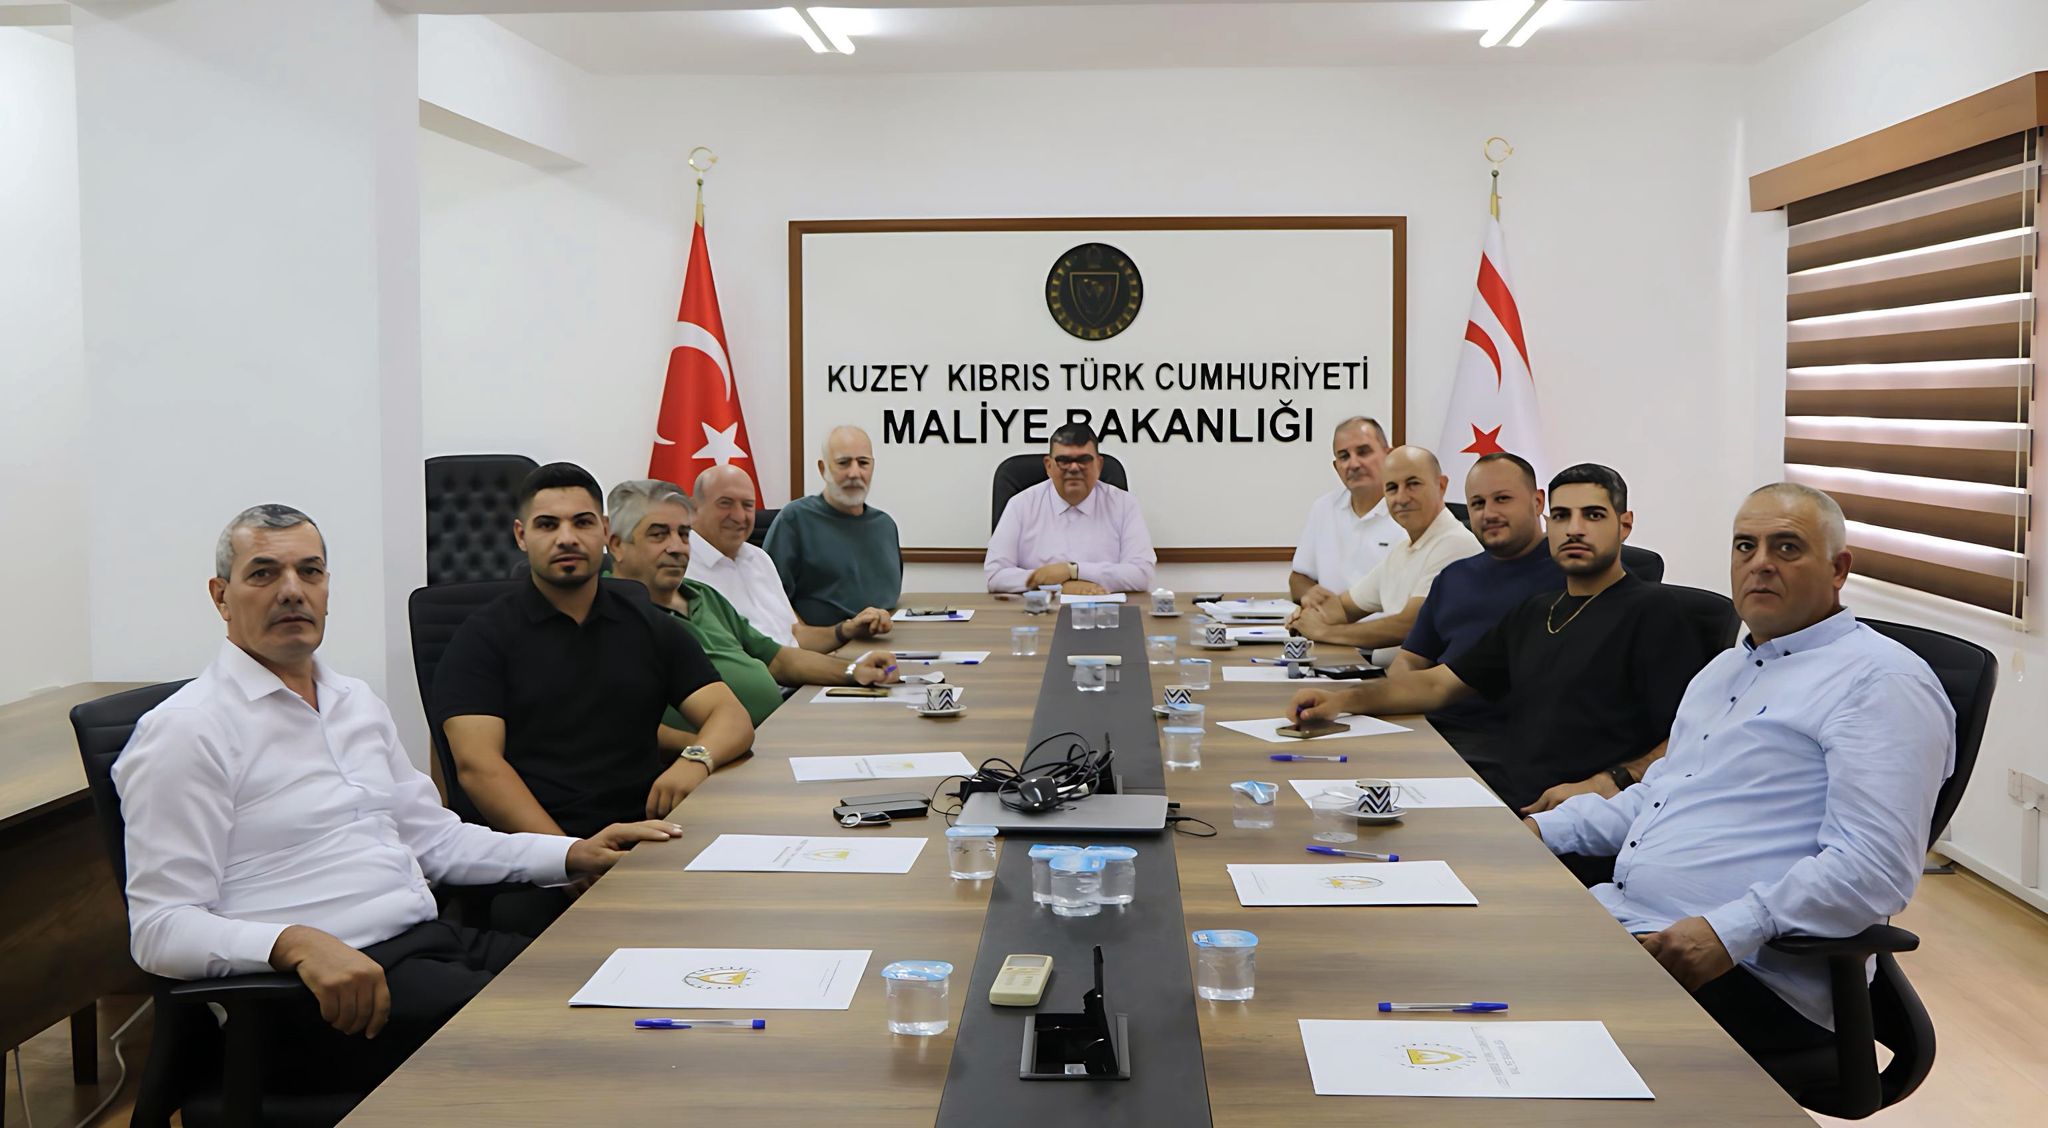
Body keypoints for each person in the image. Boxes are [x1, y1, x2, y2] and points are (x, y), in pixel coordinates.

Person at [115, 504, 681, 1099]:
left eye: (310, 571)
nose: (292, 591)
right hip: (322, 996)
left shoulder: (353, 701)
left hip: (427, 944)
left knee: (628, 983)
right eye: (263, 574)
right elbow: (158, 928)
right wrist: (293, 944)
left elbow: (435, 839)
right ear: (221, 596)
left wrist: (571, 853)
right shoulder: (187, 730)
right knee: (590, 1039)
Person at [1525, 483, 1953, 1058]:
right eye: (1745, 546)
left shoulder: (1881, 683)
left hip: (1745, 972)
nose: (1761, 564)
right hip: (1630, 923)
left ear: (1839, 569)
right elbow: (1662, 793)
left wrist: (1735, 927)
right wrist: (1543, 830)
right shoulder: (1727, 669)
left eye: (1787, 548)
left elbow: (1876, 868)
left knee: (1509, 1028)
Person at [1289, 463, 1713, 814]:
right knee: (1337, 802)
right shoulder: (1535, 611)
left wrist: (1612, 781)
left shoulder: (1655, 612)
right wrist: (1343, 700)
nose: (1575, 529)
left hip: (1582, 811)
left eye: (1593, 515)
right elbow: (1437, 684)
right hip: (1504, 794)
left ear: (1625, 525)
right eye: (1562, 516)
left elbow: (1695, 734)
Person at [433, 462, 753, 854]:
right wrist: (567, 855)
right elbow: (478, 768)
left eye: (582, 523)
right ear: (521, 536)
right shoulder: (482, 637)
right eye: (548, 525)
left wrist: (695, 760)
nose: (566, 538)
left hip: (647, 837)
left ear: (604, 531)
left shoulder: (646, 624)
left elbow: (730, 716)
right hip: (538, 852)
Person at [609, 478, 900, 726]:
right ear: (617, 545)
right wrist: (704, 753)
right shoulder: (611, 614)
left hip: (777, 725)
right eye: (658, 535)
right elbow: (629, 724)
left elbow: (778, 658)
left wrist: (853, 670)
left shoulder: (703, 595)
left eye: (684, 534)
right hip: (721, 757)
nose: (677, 547)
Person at [1393, 452, 1564, 776]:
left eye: (1502, 499)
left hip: (1510, 750)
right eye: (1478, 503)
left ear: (1538, 501)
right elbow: (1409, 660)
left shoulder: (1571, 578)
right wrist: (1408, 708)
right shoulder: (1453, 577)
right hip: (1434, 733)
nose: (1489, 513)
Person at [1287, 445, 1480, 666]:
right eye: (1391, 488)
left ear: (1441, 486)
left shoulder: (1455, 544)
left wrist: (1324, 632)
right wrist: (1308, 613)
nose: (1401, 498)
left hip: (1419, 685)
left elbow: (1408, 626)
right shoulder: (1403, 550)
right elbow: (1343, 608)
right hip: (1387, 675)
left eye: (1413, 484)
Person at [687, 464, 893, 652]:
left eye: (748, 505)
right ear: (694, 508)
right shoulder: (682, 571)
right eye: (725, 503)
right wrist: (846, 672)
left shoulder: (759, 558)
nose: (739, 516)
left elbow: (796, 635)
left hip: (798, 672)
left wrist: (847, 629)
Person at [984, 421, 1157, 594]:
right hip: (1038, 609)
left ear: (1099, 465)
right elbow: (995, 576)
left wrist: (1073, 570)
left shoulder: (1124, 504)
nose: (1074, 468)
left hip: (1107, 608)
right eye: (1064, 461)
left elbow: (1142, 575)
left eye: (1083, 460)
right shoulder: (1021, 505)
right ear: (1048, 466)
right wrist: (1061, 587)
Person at [764, 425, 904, 627]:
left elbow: (890, 598)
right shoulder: (795, 520)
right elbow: (769, 599)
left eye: (863, 463)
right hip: (824, 643)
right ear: (823, 469)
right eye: (843, 463)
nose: (854, 473)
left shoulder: (885, 526)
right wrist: (808, 640)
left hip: (884, 638)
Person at [1287, 415, 1400, 604]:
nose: (1354, 464)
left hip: (1388, 622)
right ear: (1336, 467)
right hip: (1330, 621)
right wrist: (1309, 593)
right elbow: (1298, 579)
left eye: (1363, 452)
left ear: (1389, 456)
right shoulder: (1324, 508)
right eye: (1344, 456)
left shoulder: (1409, 510)